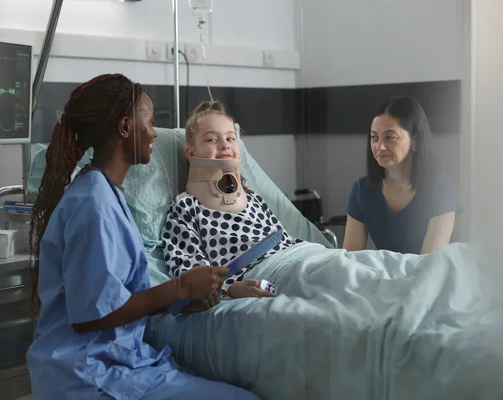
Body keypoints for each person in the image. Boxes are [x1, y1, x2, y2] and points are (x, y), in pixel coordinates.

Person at [26, 74, 259, 400]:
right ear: (125, 127)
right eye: (149, 122)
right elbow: (92, 315)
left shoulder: (106, 193)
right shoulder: (92, 204)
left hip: (118, 361)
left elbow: (115, 293)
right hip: (88, 373)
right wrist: (179, 287)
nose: (154, 133)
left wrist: (182, 301)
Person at [161, 101, 302, 305]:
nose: (224, 144)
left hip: (295, 259)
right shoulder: (186, 207)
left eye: (230, 138)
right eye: (211, 139)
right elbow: (188, 269)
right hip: (264, 275)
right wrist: (230, 287)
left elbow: (285, 241)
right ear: (191, 153)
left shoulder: (254, 199)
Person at [343, 95, 460, 255]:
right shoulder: (361, 190)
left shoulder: (441, 189)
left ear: (415, 141)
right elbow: (350, 258)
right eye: (374, 137)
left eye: (390, 137)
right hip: (390, 277)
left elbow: (430, 264)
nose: (380, 146)